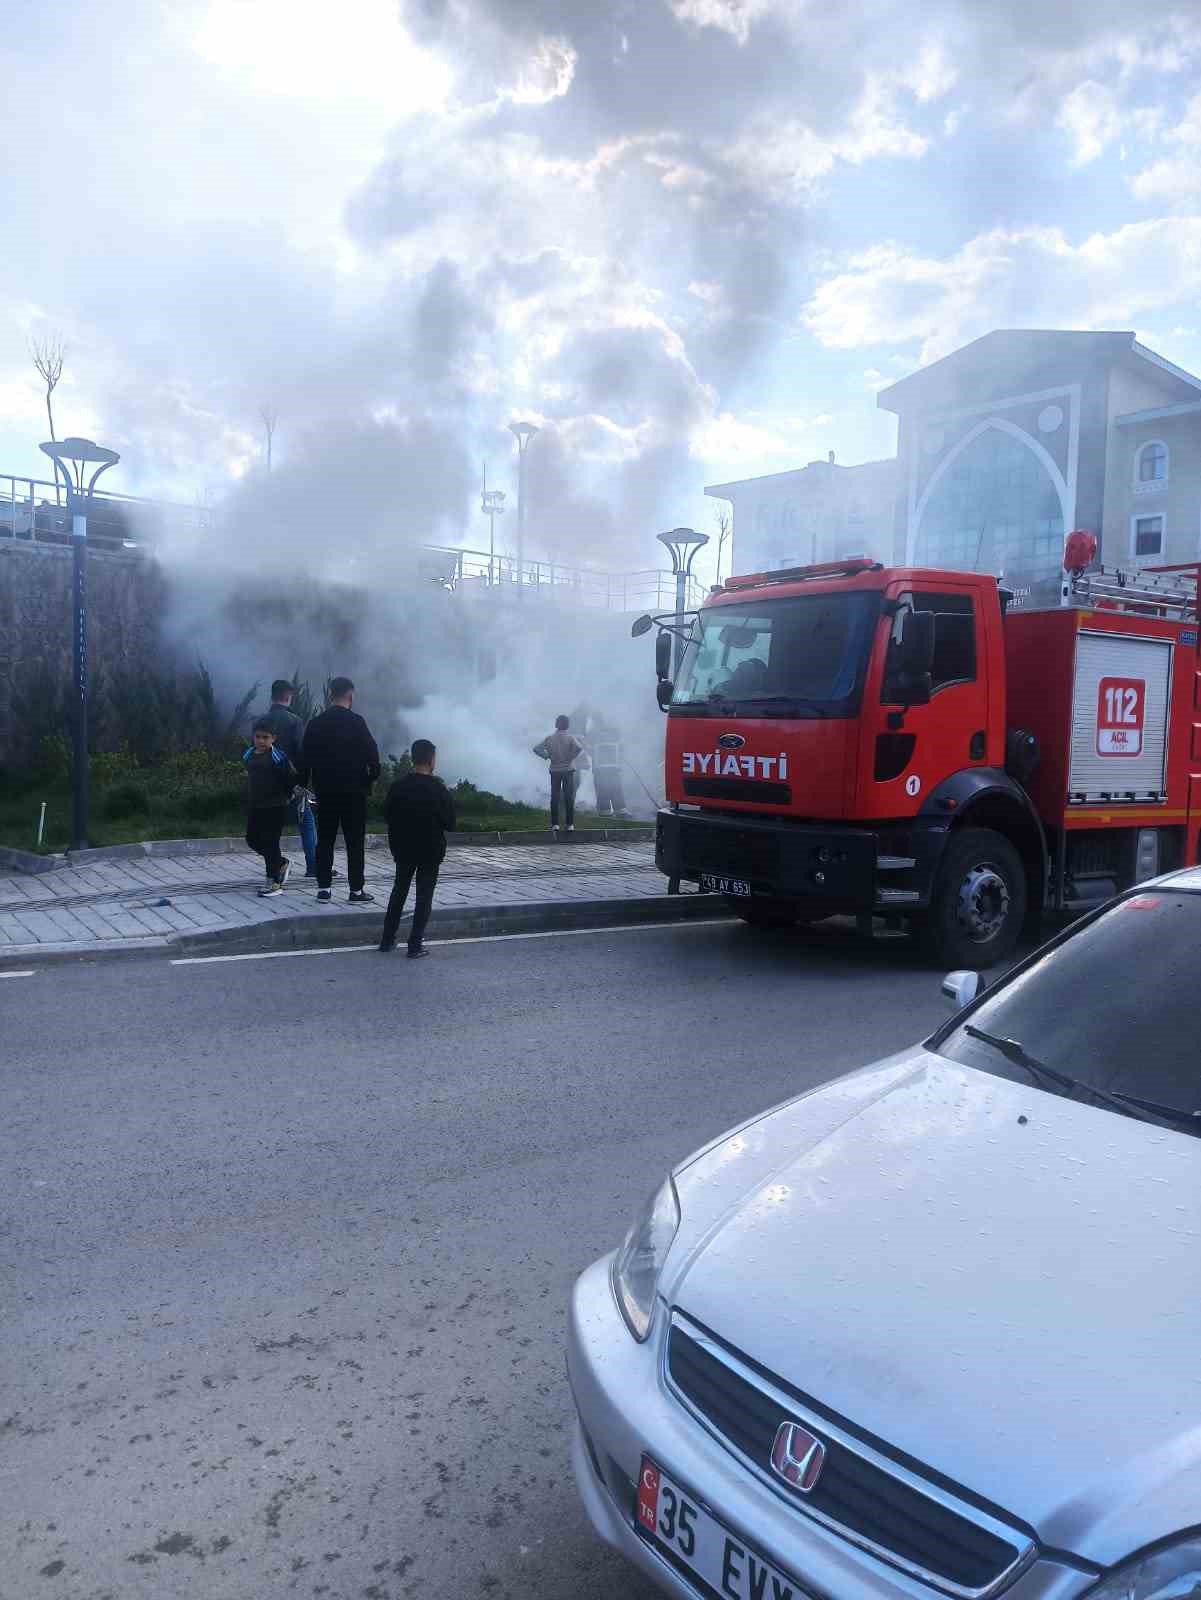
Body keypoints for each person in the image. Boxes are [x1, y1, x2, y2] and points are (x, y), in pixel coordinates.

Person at [298, 676, 381, 904]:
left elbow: (305, 760)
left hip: (326, 792)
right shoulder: (357, 722)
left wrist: (304, 784)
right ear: (350, 695)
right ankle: (356, 891)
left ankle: (324, 889)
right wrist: (368, 780)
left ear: (330, 695)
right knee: (355, 842)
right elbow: (374, 758)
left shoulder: (316, 723)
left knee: (325, 840)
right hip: (355, 793)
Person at [379, 738, 456, 959]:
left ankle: (387, 940)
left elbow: (387, 815)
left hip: (403, 848)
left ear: (413, 758)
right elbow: (450, 823)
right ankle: (415, 945)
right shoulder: (439, 789)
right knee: (424, 897)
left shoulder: (398, 786)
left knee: (399, 891)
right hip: (430, 850)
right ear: (432, 760)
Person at [259, 679, 322, 878]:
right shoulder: (294, 721)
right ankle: (313, 867)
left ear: (272, 696)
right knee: (307, 822)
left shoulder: (262, 721)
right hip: (290, 783)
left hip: (266, 784)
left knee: (271, 827)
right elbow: (302, 753)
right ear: (288, 696)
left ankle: (275, 867)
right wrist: (304, 783)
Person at [242, 719, 300, 895]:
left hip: (275, 806)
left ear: (273, 738)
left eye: (265, 737)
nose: (261, 741)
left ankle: (274, 883)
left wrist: (289, 795)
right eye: (257, 737)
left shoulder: (278, 757)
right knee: (252, 839)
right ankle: (280, 863)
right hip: (256, 806)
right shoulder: (248, 755)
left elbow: (291, 778)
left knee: (271, 842)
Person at [533, 714, 582, 833]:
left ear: (557, 724)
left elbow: (536, 749)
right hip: (568, 770)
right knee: (568, 797)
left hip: (555, 770)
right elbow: (579, 748)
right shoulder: (570, 738)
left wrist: (547, 756)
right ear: (567, 725)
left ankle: (555, 824)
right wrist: (571, 757)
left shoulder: (549, 738)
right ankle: (570, 824)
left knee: (554, 797)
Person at [591, 715, 630, 817]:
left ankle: (606, 811)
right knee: (616, 788)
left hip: (599, 769)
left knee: (602, 789)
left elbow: (586, 745)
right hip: (614, 768)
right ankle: (620, 810)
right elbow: (622, 747)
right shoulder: (615, 732)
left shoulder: (593, 733)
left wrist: (592, 753)